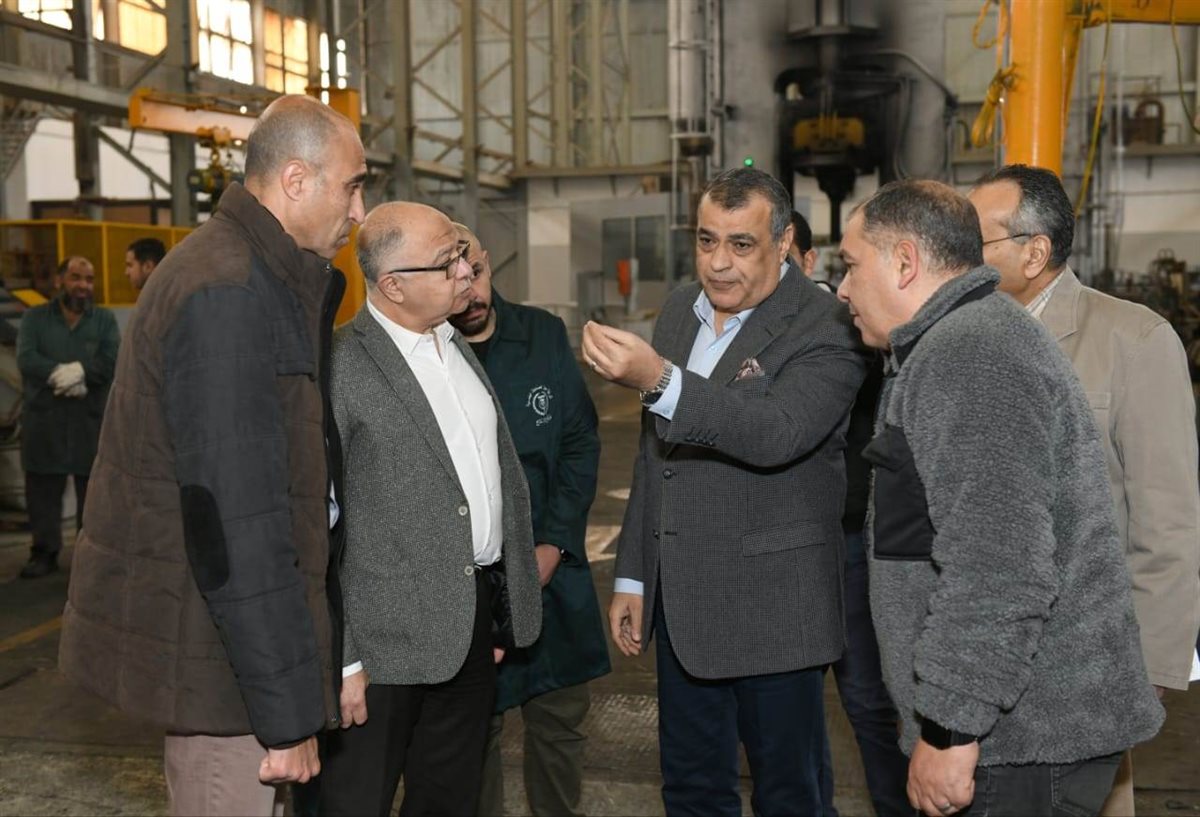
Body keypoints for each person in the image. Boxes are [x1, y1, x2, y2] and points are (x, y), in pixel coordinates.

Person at [58, 95, 367, 816]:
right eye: (352, 186)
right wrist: (286, 712)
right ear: (296, 180)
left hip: (232, 666)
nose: (360, 211)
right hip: (226, 682)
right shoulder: (228, 292)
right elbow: (237, 525)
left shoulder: (257, 278)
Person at [836, 179, 1164, 817]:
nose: (843, 289)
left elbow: (998, 567)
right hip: (1010, 737)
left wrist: (951, 729)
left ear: (904, 261)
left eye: (851, 265)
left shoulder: (972, 354)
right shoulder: (956, 341)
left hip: (1016, 746)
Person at [584, 167, 867, 816]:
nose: (718, 263)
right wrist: (634, 575)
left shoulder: (827, 324)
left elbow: (776, 432)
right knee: (691, 791)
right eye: (706, 240)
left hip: (776, 613)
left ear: (783, 241)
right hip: (684, 605)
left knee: (790, 797)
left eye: (741, 245)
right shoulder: (680, 310)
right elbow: (657, 456)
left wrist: (660, 380)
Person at [969, 164, 1200, 816]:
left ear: (1034, 252)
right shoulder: (963, 337)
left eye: (974, 239)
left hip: (1092, 652)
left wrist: (1152, 663)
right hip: (987, 647)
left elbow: (1168, 518)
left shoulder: (1134, 340)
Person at [320, 202, 542, 817]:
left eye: (463, 255)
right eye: (447, 262)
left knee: (449, 799)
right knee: (354, 803)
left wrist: (495, 612)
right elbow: (317, 523)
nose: (466, 270)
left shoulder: (454, 344)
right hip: (378, 650)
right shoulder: (340, 366)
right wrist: (343, 656)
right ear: (393, 286)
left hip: (466, 631)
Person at [449, 224, 609, 817]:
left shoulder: (542, 335)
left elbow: (579, 443)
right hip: (471, 590)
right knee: (473, 735)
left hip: (550, 579)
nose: (470, 293)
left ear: (489, 264)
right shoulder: (431, 354)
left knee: (559, 723)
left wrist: (555, 543)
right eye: (453, 280)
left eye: (476, 273)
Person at [790, 210, 911, 816]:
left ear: (807, 261)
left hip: (850, 542)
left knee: (866, 698)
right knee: (789, 707)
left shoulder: (855, 326)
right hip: (786, 546)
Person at [15, 255, 119, 578]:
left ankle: (90, 558)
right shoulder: (35, 319)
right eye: (76, 277)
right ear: (60, 280)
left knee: (94, 494)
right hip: (45, 422)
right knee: (43, 491)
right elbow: (26, 358)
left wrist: (81, 373)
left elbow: (110, 360)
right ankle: (44, 553)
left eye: (89, 279)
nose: (83, 285)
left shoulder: (104, 321)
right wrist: (59, 374)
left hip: (89, 422)